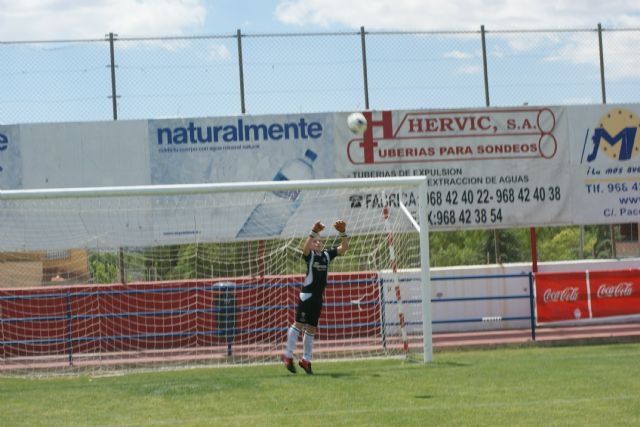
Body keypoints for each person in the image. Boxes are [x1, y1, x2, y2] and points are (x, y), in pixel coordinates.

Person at [281, 219, 349, 374]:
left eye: (320, 241)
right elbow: (304, 249)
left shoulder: (326, 255)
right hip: (307, 296)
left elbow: (344, 247)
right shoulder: (310, 255)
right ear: (311, 243)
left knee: (311, 328)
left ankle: (306, 360)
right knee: (298, 324)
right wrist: (312, 231)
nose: (318, 243)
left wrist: (342, 233)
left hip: (318, 298)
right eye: (315, 241)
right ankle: (288, 355)